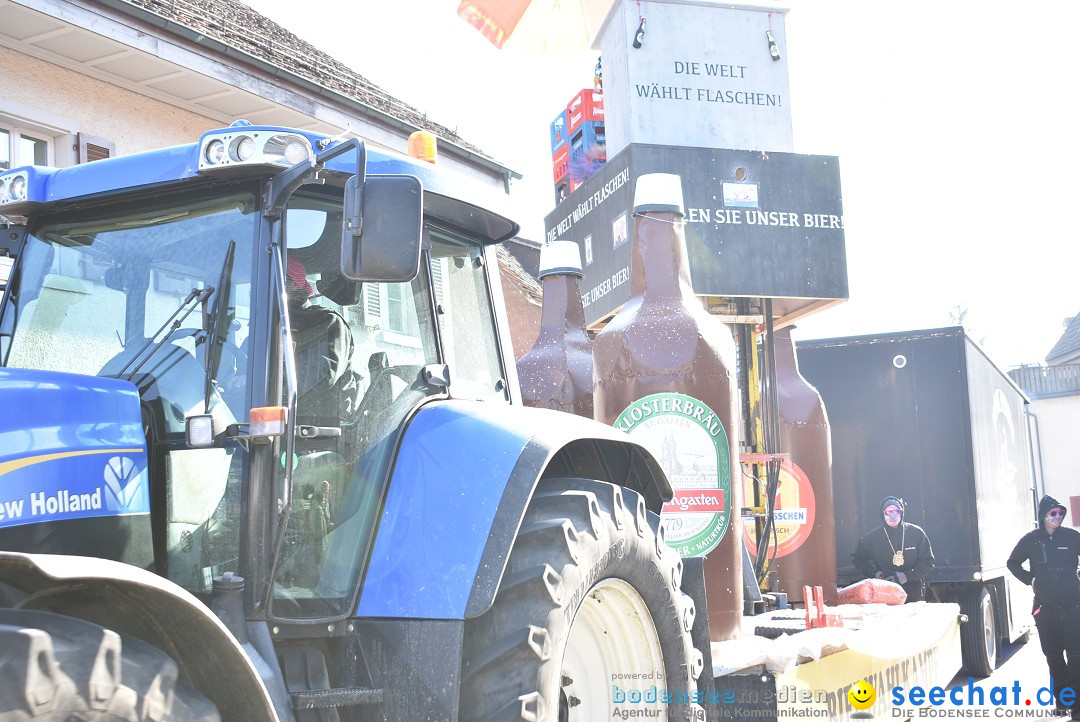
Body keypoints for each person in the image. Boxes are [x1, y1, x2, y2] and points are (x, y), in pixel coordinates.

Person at [1007, 495, 1080, 718]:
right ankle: (1062, 701)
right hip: (1045, 608)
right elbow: (1012, 562)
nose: (1058, 517)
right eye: (1053, 513)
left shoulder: (1072, 536)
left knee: (1076, 655)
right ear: (1042, 516)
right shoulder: (1031, 540)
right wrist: (1031, 580)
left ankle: (1077, 707)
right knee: (1054, 657)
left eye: (1060, 513)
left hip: (1073, 606)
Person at [852, 496, 935, 602]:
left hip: (913, 593)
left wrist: (906, 576)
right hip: (884, 593)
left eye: (896, 511)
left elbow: (928, 562)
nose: (893, 515)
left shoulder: (916, 533)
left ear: (902, 513)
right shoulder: (873, 538)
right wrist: (874, 574)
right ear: (883, 514)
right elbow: (857, 558)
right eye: (889, 511)